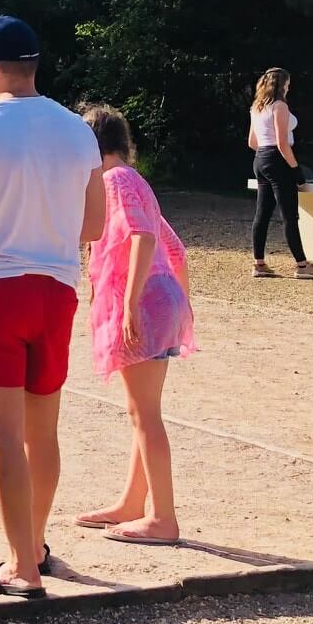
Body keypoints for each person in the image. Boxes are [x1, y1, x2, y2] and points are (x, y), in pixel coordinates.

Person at [0, 16, 105, 599]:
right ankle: (33, 544)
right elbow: (94, 224)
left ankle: (22, 567)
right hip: (56, 288)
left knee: (3, 437)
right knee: (44, 433)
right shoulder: (78, 131)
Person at [74, 105, 195, 545]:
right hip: (160, 300)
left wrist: (129, 306)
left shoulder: (113, 181)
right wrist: (181, 304)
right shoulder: (135, 179)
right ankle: (132, 502)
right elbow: (175, 249)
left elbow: (143, 236)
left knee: (145, 415)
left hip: (143, 302)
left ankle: (163, 519)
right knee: (141, 411)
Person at [248, 67, 313, 280]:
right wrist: (295, 169)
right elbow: (283, 143)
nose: (289, 87)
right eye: (288, 83)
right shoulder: (279, 106)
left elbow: (252, 142)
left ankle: (259, 263)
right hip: (277, 159)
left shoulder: (256, 107)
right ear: (282, 84)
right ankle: (302, 266)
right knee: (289, 216)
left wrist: (266, 158)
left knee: (262, 214)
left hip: (260, 159)